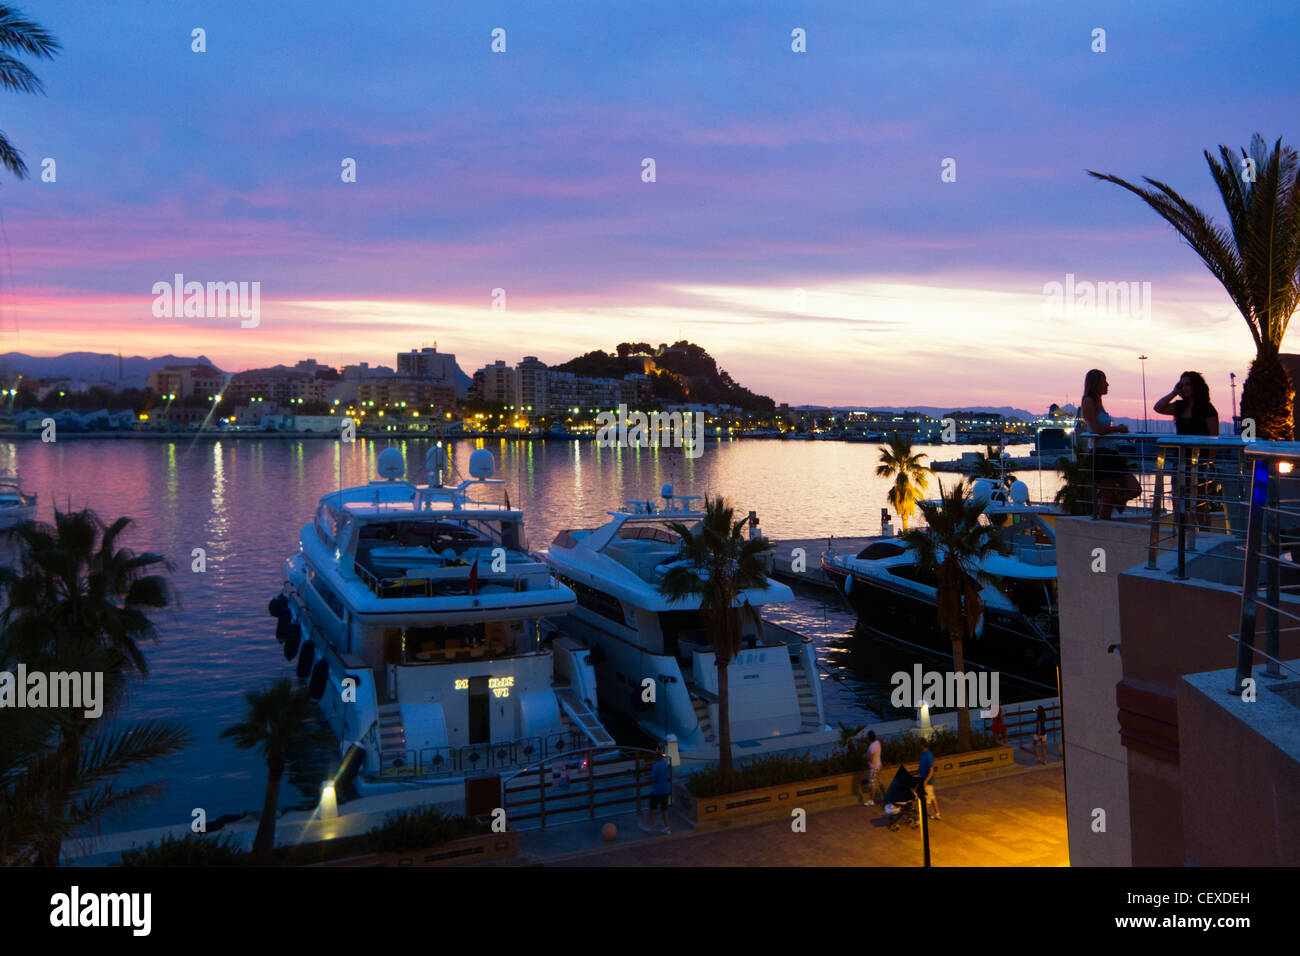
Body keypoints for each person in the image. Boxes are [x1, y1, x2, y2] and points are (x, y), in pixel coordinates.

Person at [1079, 369, 1141, 520]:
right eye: (1104, 381)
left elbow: (1102, 429)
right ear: (1096, 383)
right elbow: (1097, 429)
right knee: (1107, 500)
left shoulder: (1099, 402)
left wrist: (1116, 431)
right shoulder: (1088, 402)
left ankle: (1118, 501)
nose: (1107, 384)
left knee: (1135, 489)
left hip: (1111, 454)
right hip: (1101, 455)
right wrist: (1118, 429)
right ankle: (1102, 528)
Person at [1153, 371, 1220, 436]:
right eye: (1182, 385)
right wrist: (1174, 392)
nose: (1184, 388)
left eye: (1188, 384)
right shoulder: (1180, 406)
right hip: (1182, 447)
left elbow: (1213, 436)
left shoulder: (1207, 408)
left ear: (1196, 386)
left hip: (1200, 446)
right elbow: (1158, 408)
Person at [643, 744, 672, 834]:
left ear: (656, 757)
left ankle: (649, 826)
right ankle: (667, 828)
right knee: (665, 808)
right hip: (665, 789)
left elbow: (652, 779)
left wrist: (647, 780)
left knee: (652, 808)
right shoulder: (665, 764)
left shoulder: (655, 766)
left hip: (657, 791)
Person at [916, 738, 940, 820]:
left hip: (928, 781)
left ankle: (920, 817)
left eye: (919, 744)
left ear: (922, 745)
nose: (918, 746)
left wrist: (926, 780)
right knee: (932, 797)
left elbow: (931, 770)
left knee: (927, 801)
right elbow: (921, 765)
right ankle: (937, 813)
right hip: (923, 779)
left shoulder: (928, 755)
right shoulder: (922, 753)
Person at [863, 730, 883, 806]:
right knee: (879, 782)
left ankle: (871, 800)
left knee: (872, 784)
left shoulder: (871, 747)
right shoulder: (877, 743)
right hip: (878, 765)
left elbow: (870, 759)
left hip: (874, 767)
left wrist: (865, 757)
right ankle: (885, 796)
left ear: (869, 738)